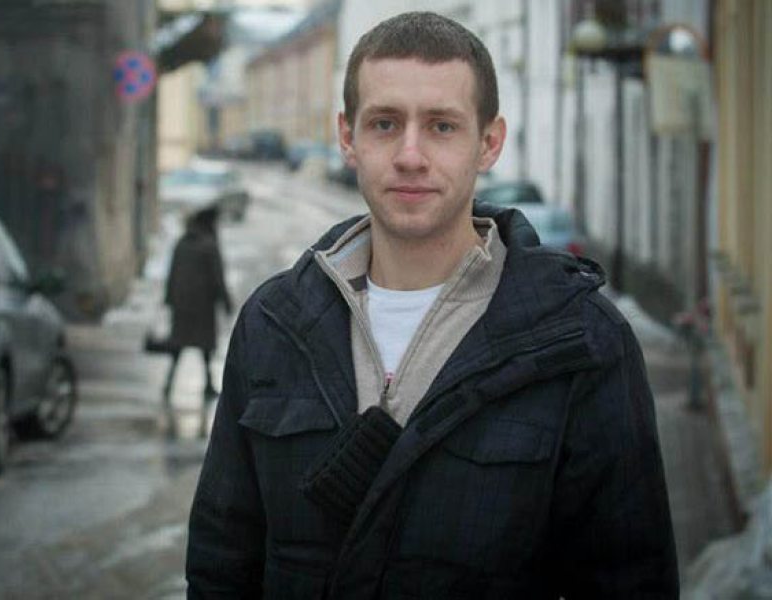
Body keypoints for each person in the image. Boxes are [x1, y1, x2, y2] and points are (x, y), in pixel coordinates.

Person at [186, 11, 678, 598]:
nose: (410, 155)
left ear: (488, 143)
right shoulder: (273, 324)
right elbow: (221, 565)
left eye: (442, 126)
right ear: (347, 137)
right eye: (385, 124)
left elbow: (630, 580)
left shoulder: (581, 342)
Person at [164, 204, 232, 402]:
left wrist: (169, 299)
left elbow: (172, 273)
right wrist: (225, 301)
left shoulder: (182, 243)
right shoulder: (209, 246)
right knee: (205, 348)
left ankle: (169, 383)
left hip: (181, 305)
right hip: (203, 306)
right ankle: (208, 384)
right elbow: (217, 277)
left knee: (178, 346)